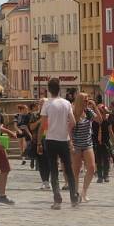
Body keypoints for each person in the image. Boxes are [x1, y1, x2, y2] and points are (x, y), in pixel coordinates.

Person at [41, 78, 78, 209]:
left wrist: (41, 139)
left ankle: (57, 199)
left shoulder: (47, 104)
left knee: (54, 169)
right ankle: (74, 197)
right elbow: (73, 122)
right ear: (59, 89)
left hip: (51, 139)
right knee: (68, 169)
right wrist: (66, 131)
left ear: (49, 90)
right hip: (64, 139)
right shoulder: (67, 103)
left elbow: (44, 123)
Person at [71, 93, 100, 203]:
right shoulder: (73, 112)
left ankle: (84, 191)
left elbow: (99, 120)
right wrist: (70, 144)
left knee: (92, 168)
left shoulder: (88, 112)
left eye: (88, 99)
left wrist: (95, 106)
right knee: (76, 171)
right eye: (85, 100)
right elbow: (69, 128)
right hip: (76, 144)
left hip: (87, 143)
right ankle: (75, 192)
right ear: (79, 101)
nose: (87, 101)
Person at [29, 99, 50, 189]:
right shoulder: (35, 115)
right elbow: (31, 127)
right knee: (41, 161)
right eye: (40, 103)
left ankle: (48, 180)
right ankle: (44, 181)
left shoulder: (51, 114)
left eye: (44, 103)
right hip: (38, 140)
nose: (42, 105)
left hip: (49, 139)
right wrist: (40, 120)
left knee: (49, 161)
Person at [92, 103, 114, 183]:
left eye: (103, 112)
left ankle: (106, 175)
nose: (102, 114)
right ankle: (100, 176)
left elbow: (111, 132)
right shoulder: (94, 122)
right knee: (98, 160)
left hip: (105, 142)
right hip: (96, 143)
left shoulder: (107, 122)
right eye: (100, 112)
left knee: (106, 159)